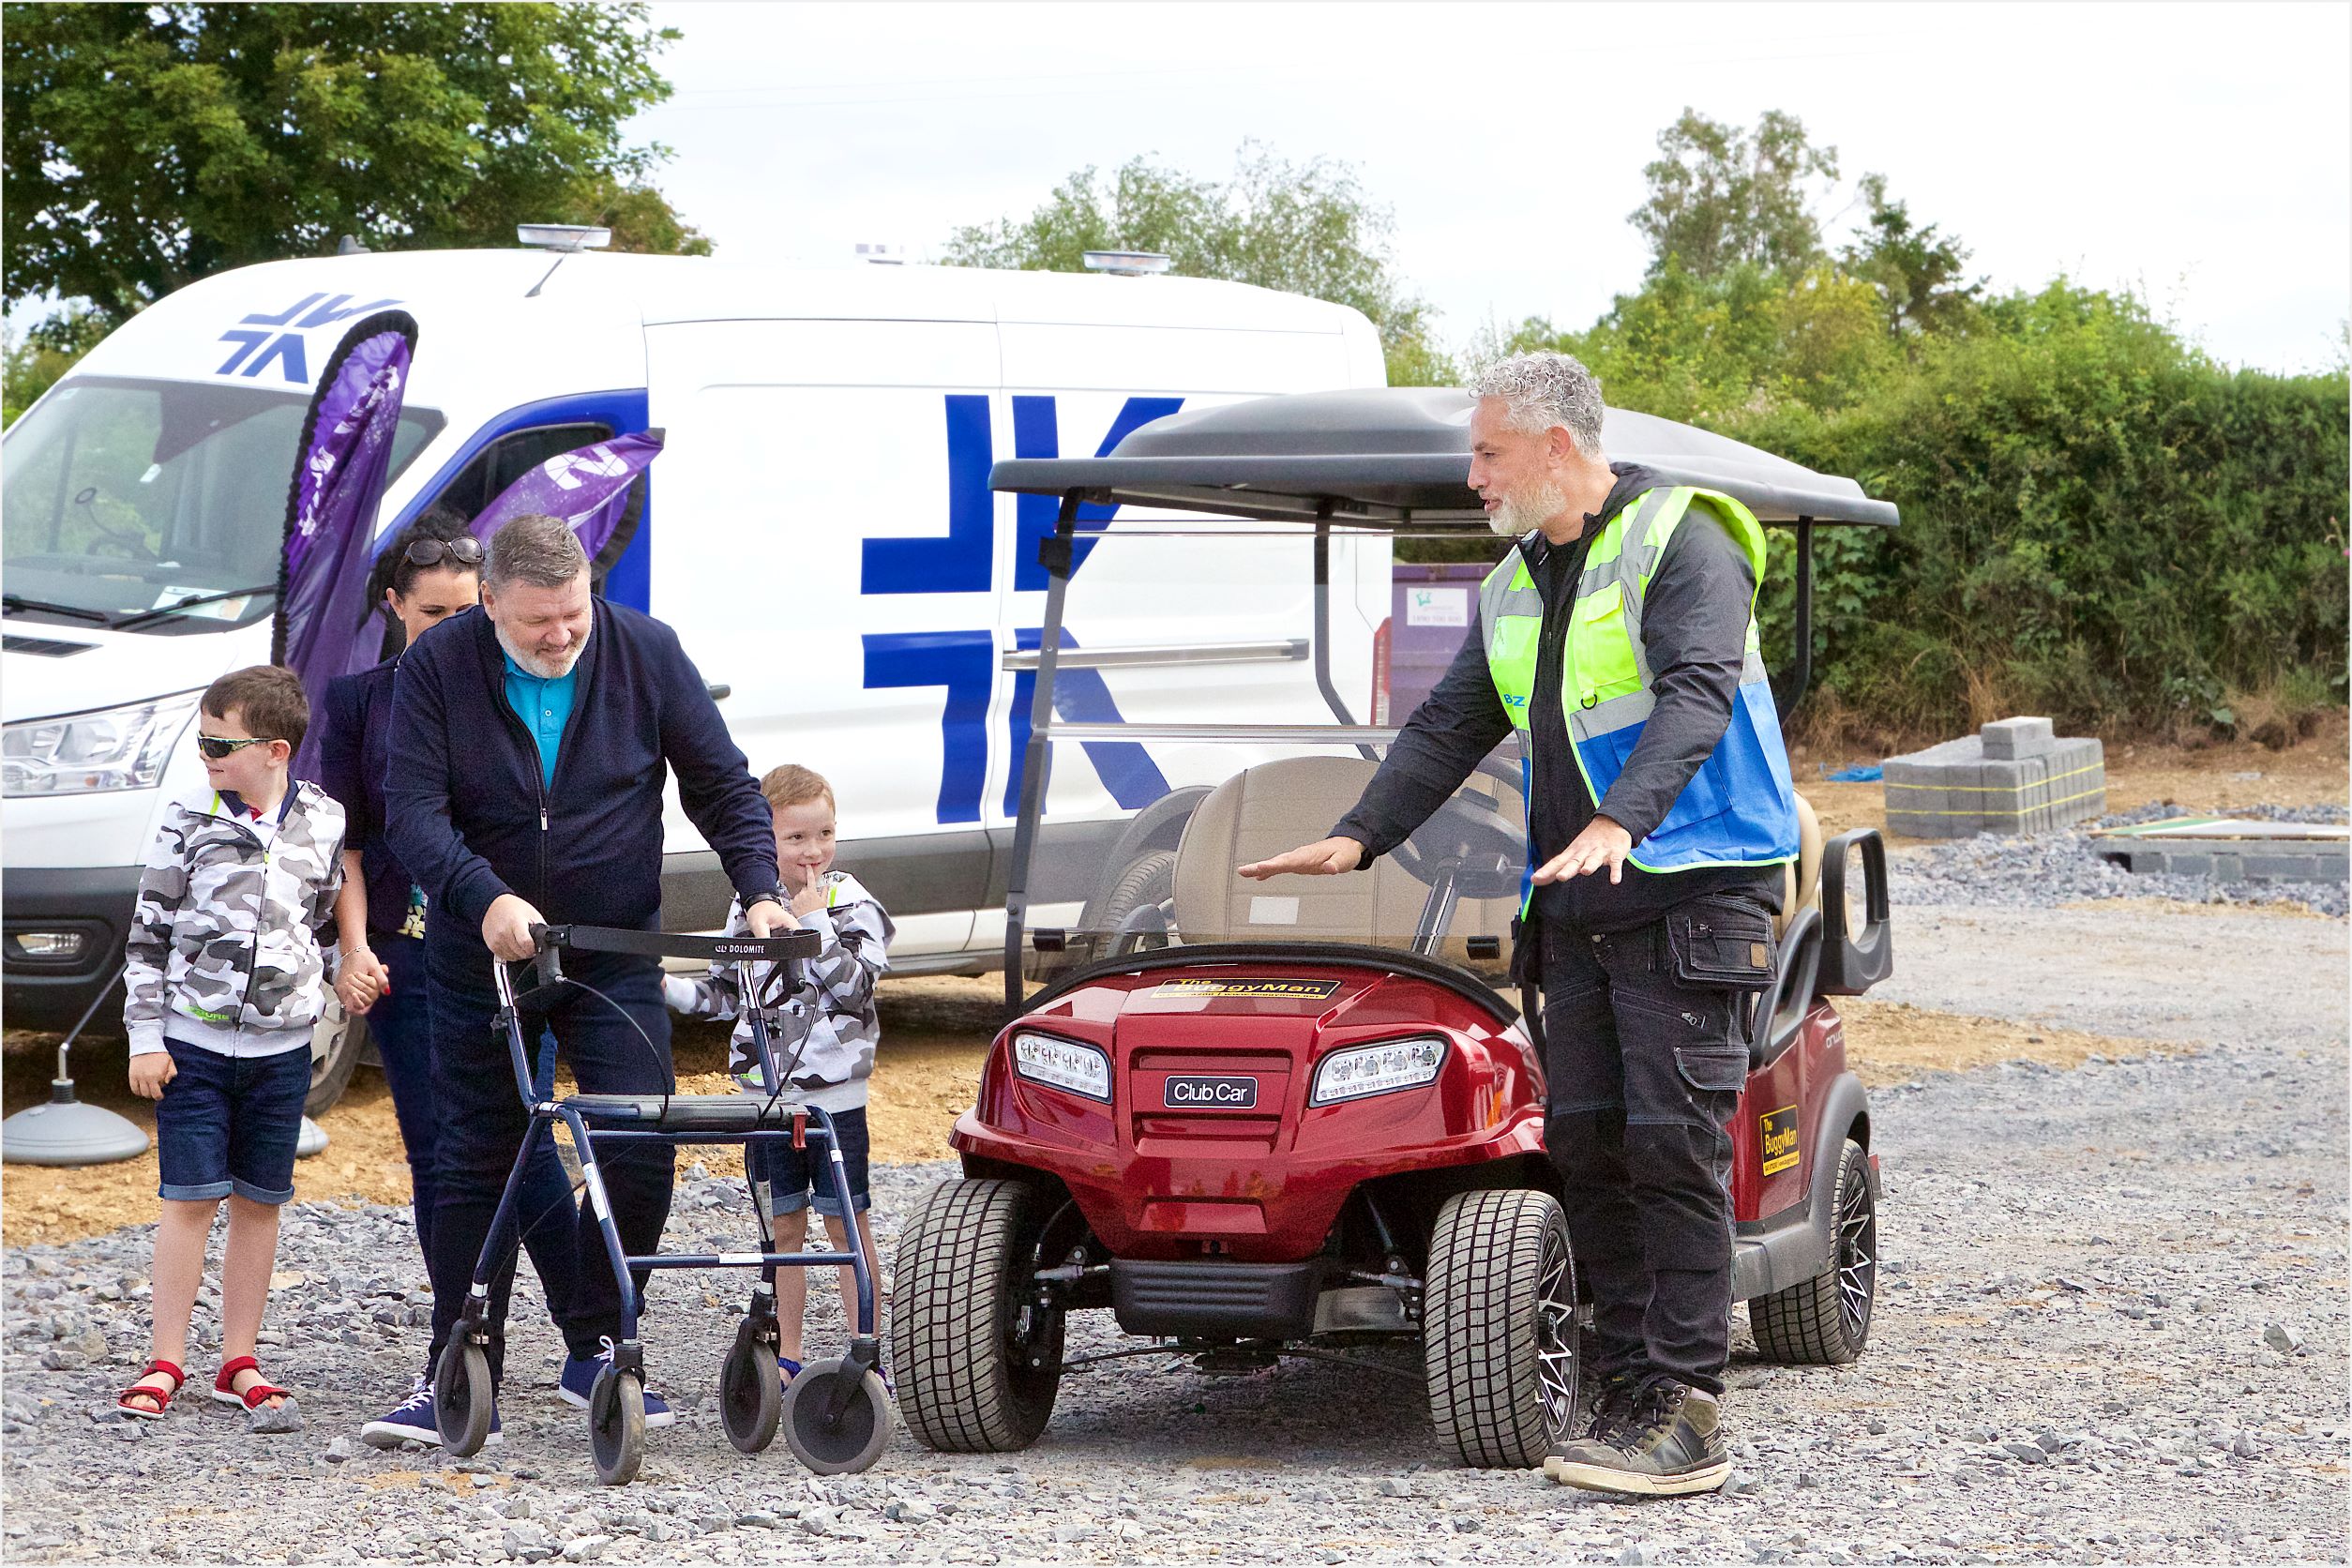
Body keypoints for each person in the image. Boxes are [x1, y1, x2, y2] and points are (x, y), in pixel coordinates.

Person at [1240, 352, 1798, 1497]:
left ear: (1554, 446)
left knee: (1671, 1145)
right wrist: (1360, 835)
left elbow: (1695, 691)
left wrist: (1619, 818)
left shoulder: (1681, 539)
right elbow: (1449, 724)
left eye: (1489, 452)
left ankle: (1689, 1409)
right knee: (1586, 1146)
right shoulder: (1515, 582)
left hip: (1693, 887)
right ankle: (1630, 1384)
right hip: (1582, 901)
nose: (1473, 474)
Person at [384, 511, 787, 1428]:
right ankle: (457, 1358)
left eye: (575, 614)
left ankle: (601, 1346)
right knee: (474, 1159)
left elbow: (722, 783)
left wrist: (759, 889)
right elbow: (412, 809)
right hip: (480, 952)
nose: (562, 635)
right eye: (539, 622)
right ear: (488, 604)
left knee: (641, 1139)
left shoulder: (645, 652)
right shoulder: (436, 669)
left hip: (614, 949)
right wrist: (482, 895)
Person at [317, 508, 586, 1448]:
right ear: (393, 607)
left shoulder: (517, 681)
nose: (454, 627)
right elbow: (349, 842)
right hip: (403, 942)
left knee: (521, 1136)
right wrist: (355, 948)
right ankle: (481, 1340)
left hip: (500, 941)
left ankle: (572, 1334)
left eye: (468, 607)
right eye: (433, 612)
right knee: (442, 1152)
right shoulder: (358, 701)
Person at [115, 666, 346, 1433]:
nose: (207, 754)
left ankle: (238, 1357)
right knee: (189, 1198)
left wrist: (347, 974)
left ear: (276, 750)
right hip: (193, 1047)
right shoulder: (187, 819)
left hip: (282, 1051)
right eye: (203, 739)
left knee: (260, 1201)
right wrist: (146, 1038)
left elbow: (318, 920)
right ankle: (165, 1356)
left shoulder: (324, 820)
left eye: (222, 743)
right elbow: (147, 937)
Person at [663, 764, 894, 1381]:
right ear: (765, 842)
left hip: (835, 1099)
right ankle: (786, 1358)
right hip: (766, 1098)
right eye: (795, 840)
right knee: (781, 1224)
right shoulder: (748, 906)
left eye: (823, 834)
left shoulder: (852, 902)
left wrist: (814, 919)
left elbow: (856, 989)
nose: (812, 851)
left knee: (848, 1221)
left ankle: (866, 1352)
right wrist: (660, 987)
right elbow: (723, 994)